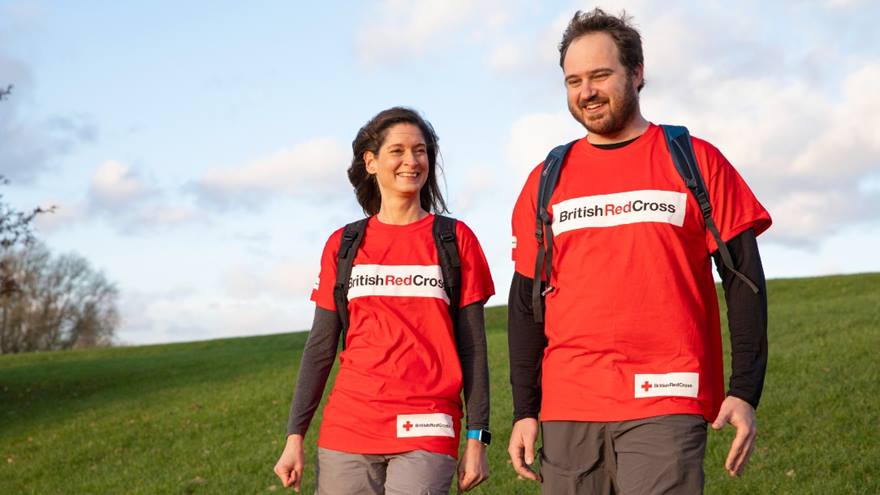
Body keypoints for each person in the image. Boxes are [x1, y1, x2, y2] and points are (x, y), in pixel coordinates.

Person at [507, 9, 772, 494]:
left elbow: (745, 281)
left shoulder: (696, 161)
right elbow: (525, 303)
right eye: (573, 80)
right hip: (568, 407)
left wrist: (744, 390)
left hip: (666, 397)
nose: (586, 91)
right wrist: (525, 410)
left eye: (600, 75)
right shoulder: (545, 180)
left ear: (637, 73)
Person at [273, 107, 495, 494]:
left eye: (421, 151)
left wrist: (477, 438)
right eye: (398, 151)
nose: (412, 161)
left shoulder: (455, 240)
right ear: (371, 162)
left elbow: (474, 348)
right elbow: (320, 348)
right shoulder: (343, 245)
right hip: (349, 429)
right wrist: (295, 436)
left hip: (427, 427)